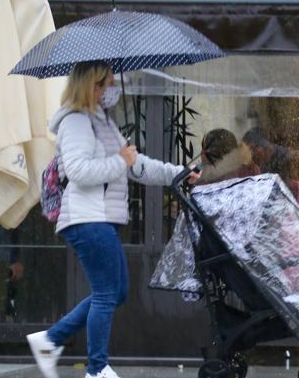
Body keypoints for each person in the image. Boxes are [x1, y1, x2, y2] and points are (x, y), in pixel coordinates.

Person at [26, 60, 184, 378]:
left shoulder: (102, 121)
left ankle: (50, 339)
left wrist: (177, 174)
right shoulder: (75, 122)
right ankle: (96, 369)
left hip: (100, 218)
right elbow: (79, 171)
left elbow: (136, 165)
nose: (113, 88)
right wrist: (118, 160)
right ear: (92, 86)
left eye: (112, 82)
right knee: (106, 292)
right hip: (87, 218)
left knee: (116, 291)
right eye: (107, 83)